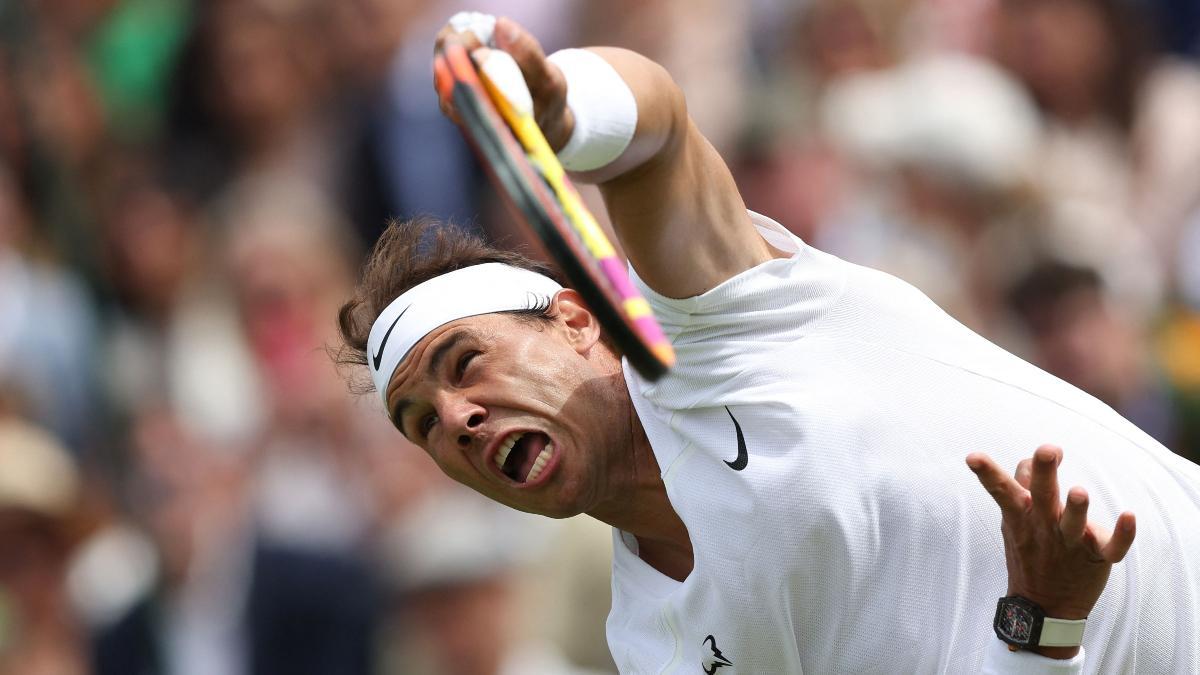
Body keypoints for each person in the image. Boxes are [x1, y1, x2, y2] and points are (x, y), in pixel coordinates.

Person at [334, 14, 1200, 673]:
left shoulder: (719, 324)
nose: (457, 419)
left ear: (576, 317)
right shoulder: (652, 646)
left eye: (464, 363)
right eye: (422, 424)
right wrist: (1041, 627)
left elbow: (654, 134)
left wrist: (559, 108)